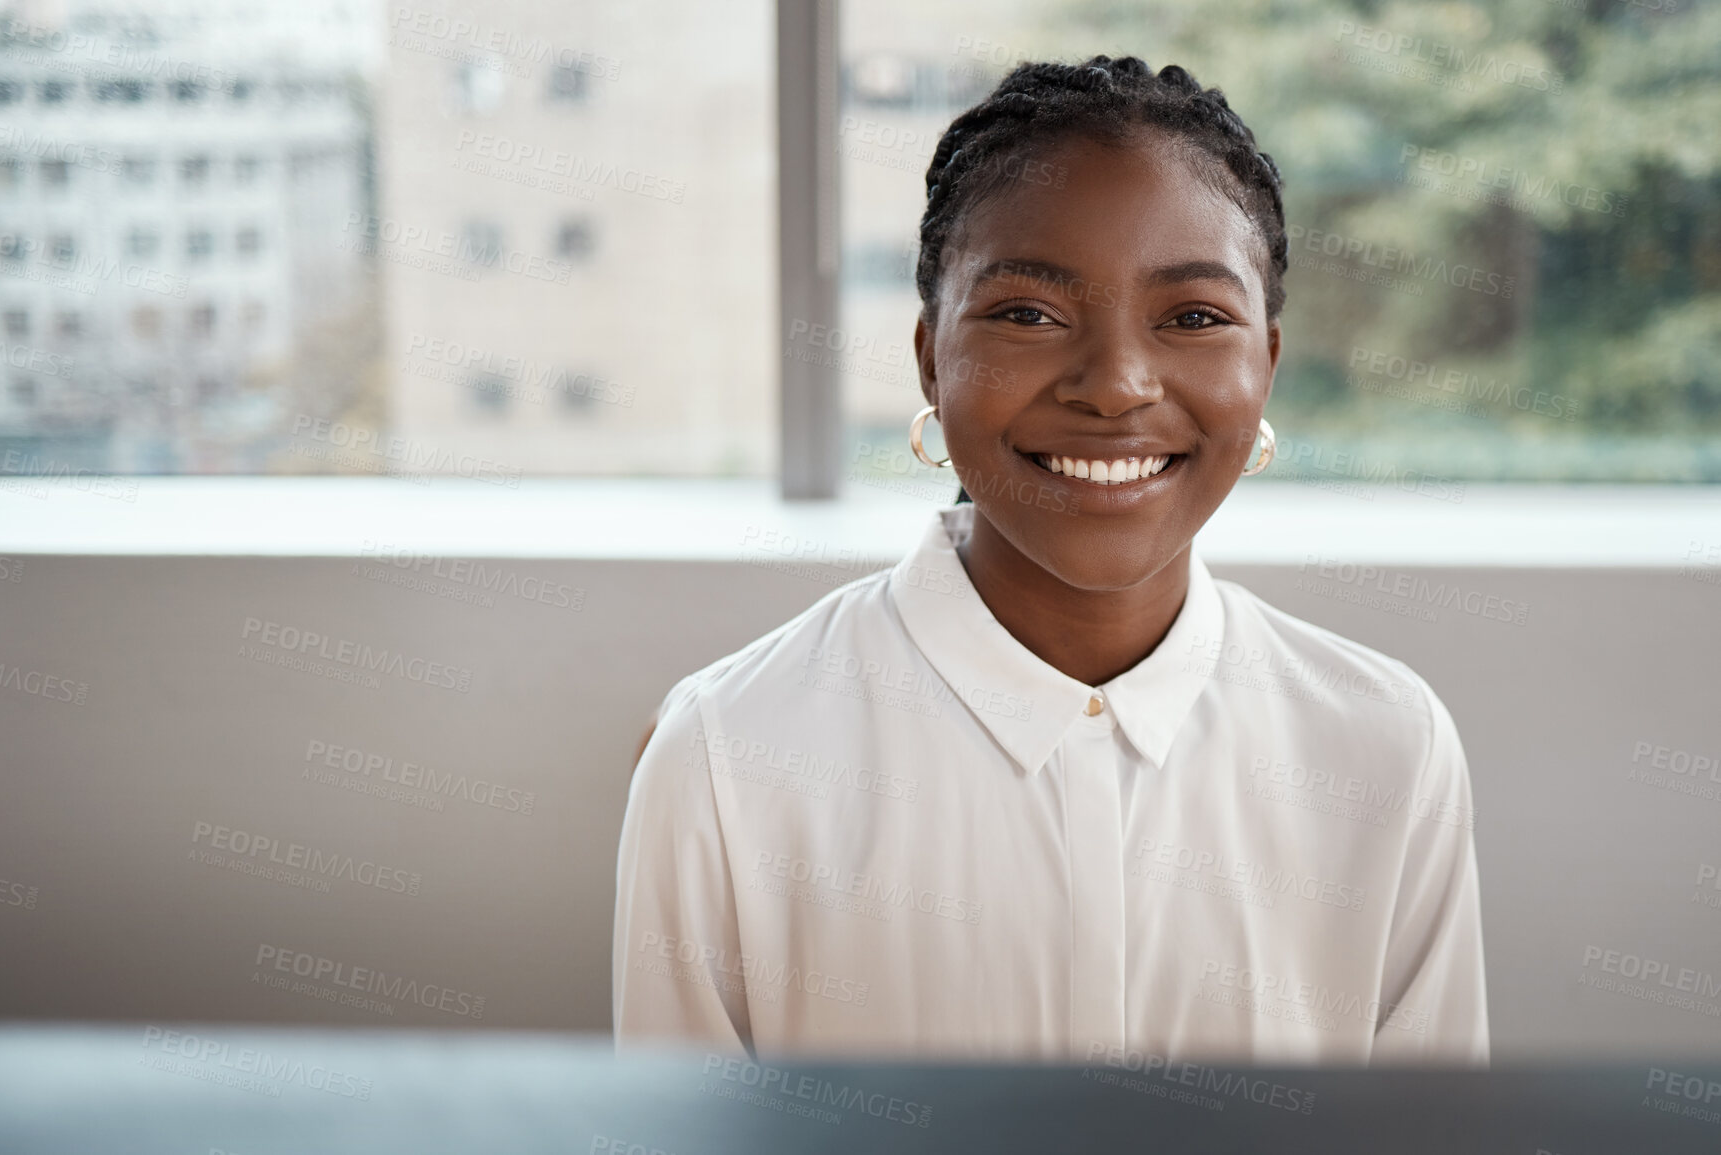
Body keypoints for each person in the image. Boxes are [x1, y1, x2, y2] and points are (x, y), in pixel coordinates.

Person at [612, 55, 1487, 1067]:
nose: (1115, 386)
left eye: (1194, 317)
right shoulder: (727, 756)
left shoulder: (1387, 750)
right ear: (933, 357)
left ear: (1267, 365)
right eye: (1027, 312)